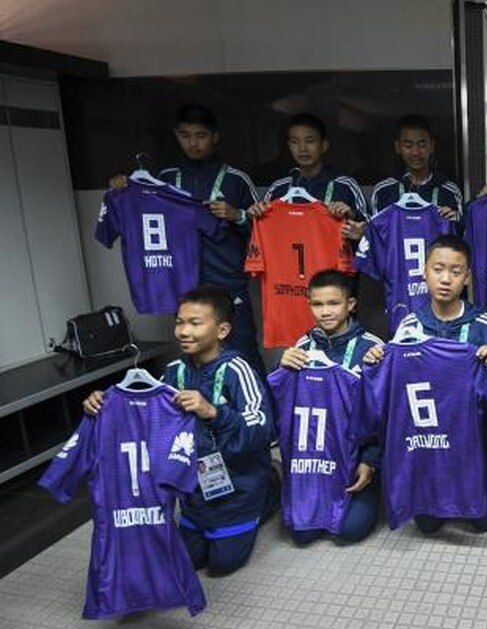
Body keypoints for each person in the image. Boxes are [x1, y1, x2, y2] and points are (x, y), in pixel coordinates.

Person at [83, 285, 275, 575]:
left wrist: (212, 411)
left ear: (222, 330)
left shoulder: (238, 369)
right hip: (194, 488)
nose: (184, 331)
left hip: (239, 487)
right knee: (188, 560)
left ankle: (271, 488)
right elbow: (142, 413)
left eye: (195, 323)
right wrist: (104, 405)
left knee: (222, 565)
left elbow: (262, 429)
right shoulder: (174, 370)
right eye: (179, 322)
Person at [363, 235, 487, 533]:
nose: (446, 279)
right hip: (428, 435)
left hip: (473, 436)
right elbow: (396, 391)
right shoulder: (409, 325)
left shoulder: (484, 324)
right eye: (438, 269)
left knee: (483, 520)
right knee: (428, 522)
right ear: (424, 271)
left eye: (456, 272)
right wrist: (374, 360)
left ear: (467, 277)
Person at [110, 104, 264, 373]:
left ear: (215, 136)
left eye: (201, 135)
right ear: (176, 135)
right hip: (184, 286)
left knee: (244, 358)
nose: (193, 143)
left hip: (228, 286)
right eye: (185, 135)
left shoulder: (235, 179)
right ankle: (206, 414)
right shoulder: (166, 180)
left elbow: (263, 233)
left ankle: (259, 415)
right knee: (197, 361)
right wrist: (125, 188)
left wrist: (236, 215)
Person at [275, 269, 383, 545]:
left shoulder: (372, 348)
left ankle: (376, 484)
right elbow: (288, 406)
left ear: (351, 305)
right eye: (317, 304)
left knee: (349, 531)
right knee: (302, 534)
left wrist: (369, 460)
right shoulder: (301, 347)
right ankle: (274, 479)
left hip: (357, 456)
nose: (324, 312)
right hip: (317, 459)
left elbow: (388, 416)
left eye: (333, 303)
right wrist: (282, 367)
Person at [252, 113, 368, 241]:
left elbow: (370, 229)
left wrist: (351, 216)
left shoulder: (344, 186)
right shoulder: (279, 188)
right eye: (295, 142)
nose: (302, 149)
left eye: (310, 141)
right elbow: (262, 234)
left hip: (332, 260)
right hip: (287, 260)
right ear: (289, 146)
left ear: (323, 146)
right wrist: (254, 215)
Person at [369, 114, 463, 223]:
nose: (415, 152)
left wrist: (456, 221)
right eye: (408, 146)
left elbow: (461, 235)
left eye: (422, 145)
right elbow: (375, 234)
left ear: (432, 146)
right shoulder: (384, 190)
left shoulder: (449, 191)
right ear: (398, 147)